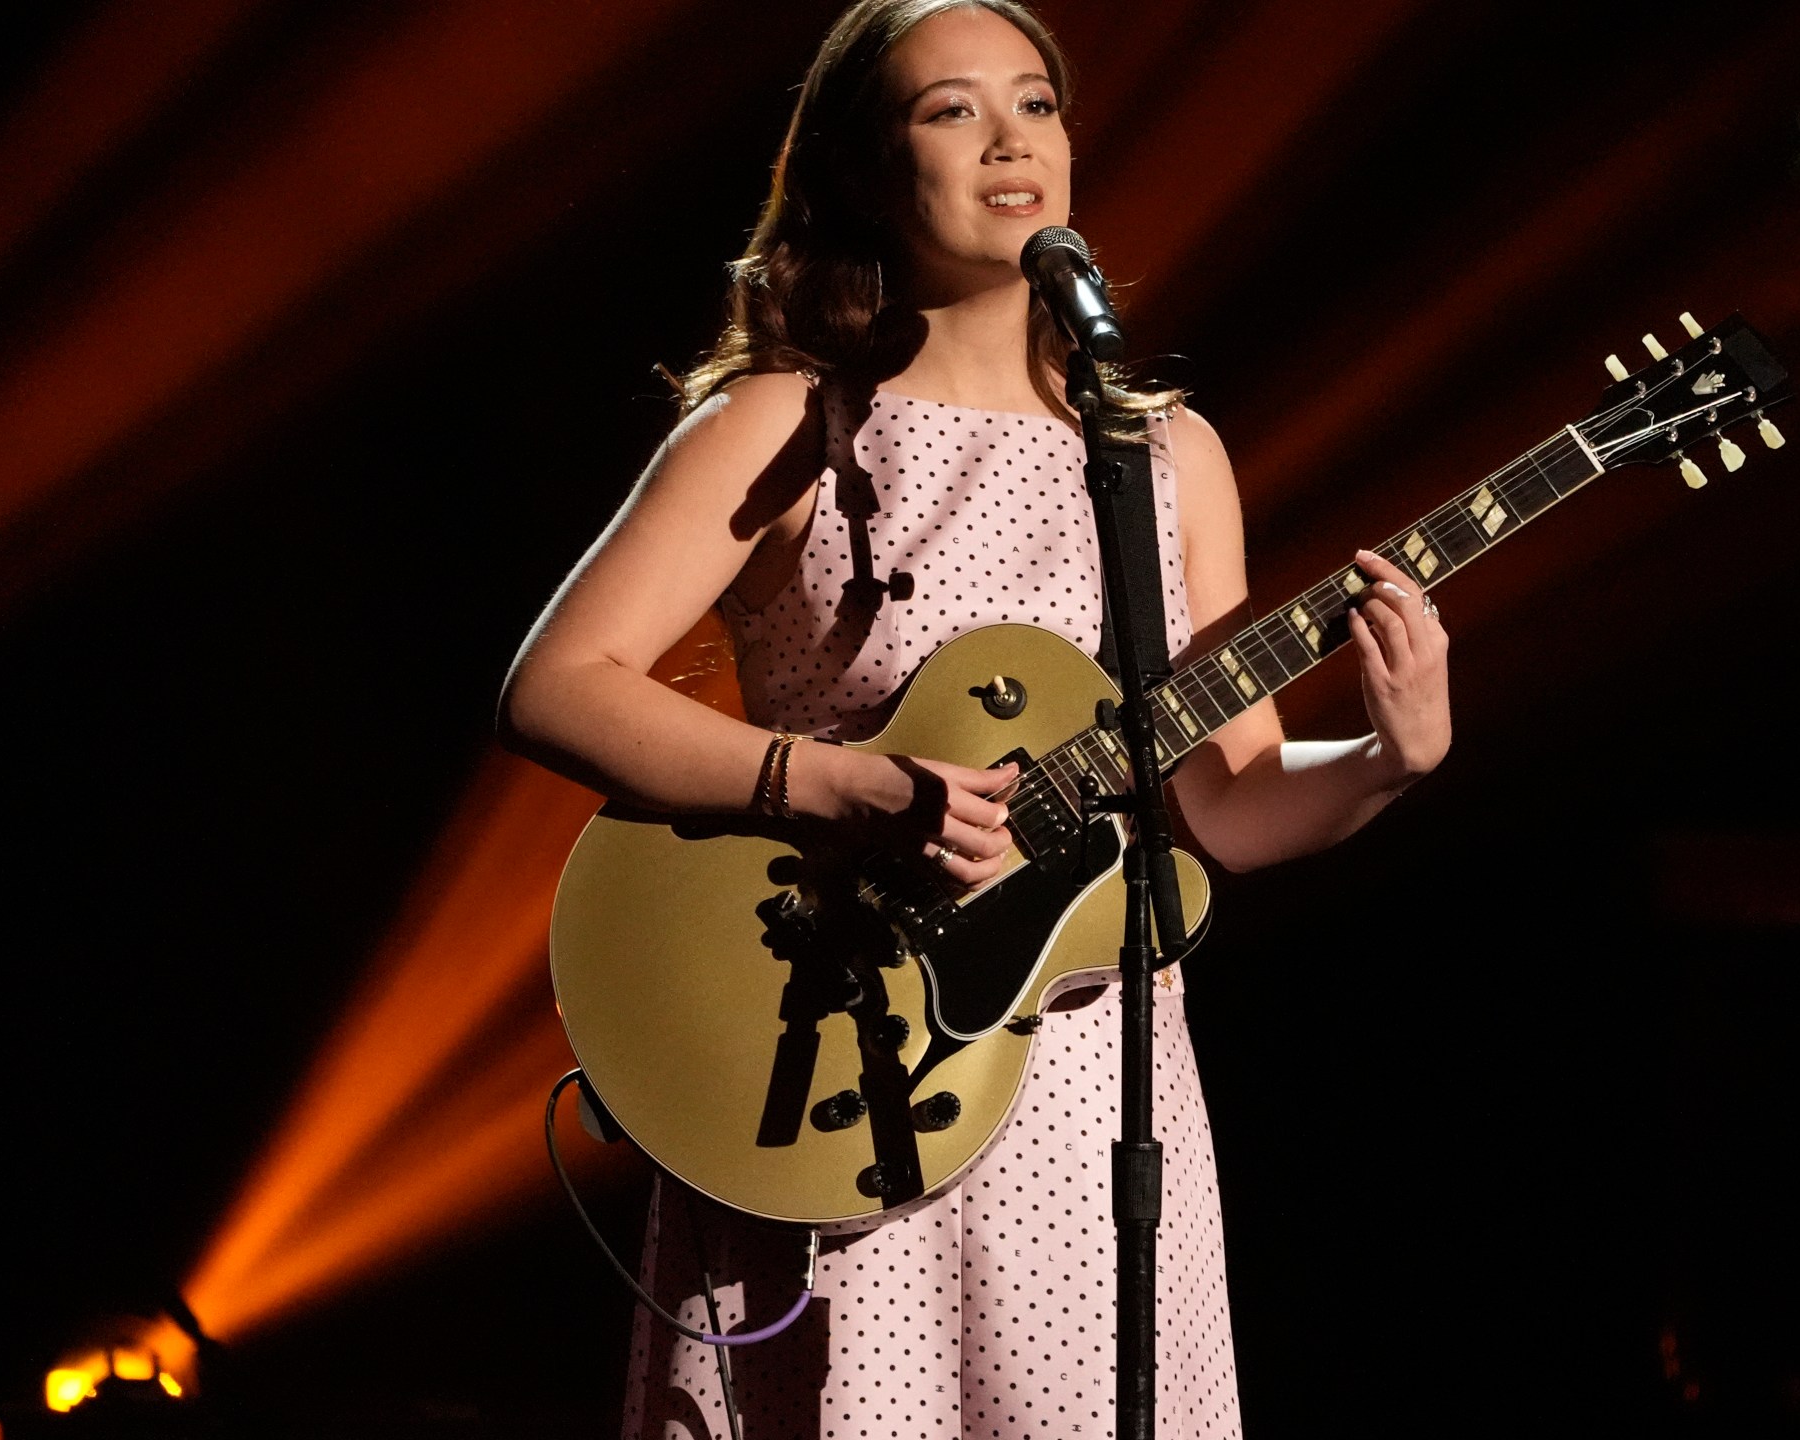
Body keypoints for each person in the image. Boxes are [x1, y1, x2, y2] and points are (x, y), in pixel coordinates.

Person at [499, 1, 1451, 1434]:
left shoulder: (1163, 453)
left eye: (1037, 104)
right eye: (951, 110)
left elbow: (1227, 805)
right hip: (832, 1055)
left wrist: (1391, 756)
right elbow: (555, 685)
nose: (1010, 139)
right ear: (867, 168)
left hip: (1081, 1098)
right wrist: (846, 789)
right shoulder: (785, 419)